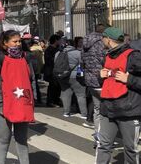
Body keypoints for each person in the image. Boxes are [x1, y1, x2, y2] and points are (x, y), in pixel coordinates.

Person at [0, 30, 36, 164]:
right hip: (2, 104)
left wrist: (32, 99)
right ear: (5, 43)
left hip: (22, 102)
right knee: (4, 139)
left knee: (21, 139)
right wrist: (0, 104)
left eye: (19, 41)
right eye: (15, 41)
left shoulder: (25, 57)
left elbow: (31, 79)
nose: (18, 44)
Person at [95, 27, 141, 163]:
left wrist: (129, 80)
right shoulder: (107, 56)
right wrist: (100, 76)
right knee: (103, 146)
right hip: (107, 110)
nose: (101, 40)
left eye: (102, 38)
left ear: (108, 39)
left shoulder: (134, 56)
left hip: (128, 111)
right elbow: (107, 81)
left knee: (130, 149)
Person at [82, 24, 106, 133]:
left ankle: (98, 134)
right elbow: (103, 59)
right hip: (101, 77)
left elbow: (82, 60)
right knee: (104, 108)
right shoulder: (101, 42)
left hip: (89, 77)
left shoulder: (85, 42)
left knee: (97, 108)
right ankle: (104, 135)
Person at [56, 40, 87, 119]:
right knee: (80, 95)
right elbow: (82, 63)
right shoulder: (78, 53)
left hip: (62, 76)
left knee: (66, 93)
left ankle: (66, 112)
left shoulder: (58, 53)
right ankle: (84, 114)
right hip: (75, 76)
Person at [44, 35, 62, 107]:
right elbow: (49, 61)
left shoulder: (58, 49)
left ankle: (56, 100)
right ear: (56, 40)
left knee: (58, 86)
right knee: (52, 87)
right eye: (59, 40)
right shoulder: (49, 49)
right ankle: (50, 101)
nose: (60, 42)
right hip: (51, 71)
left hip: (57, 70)